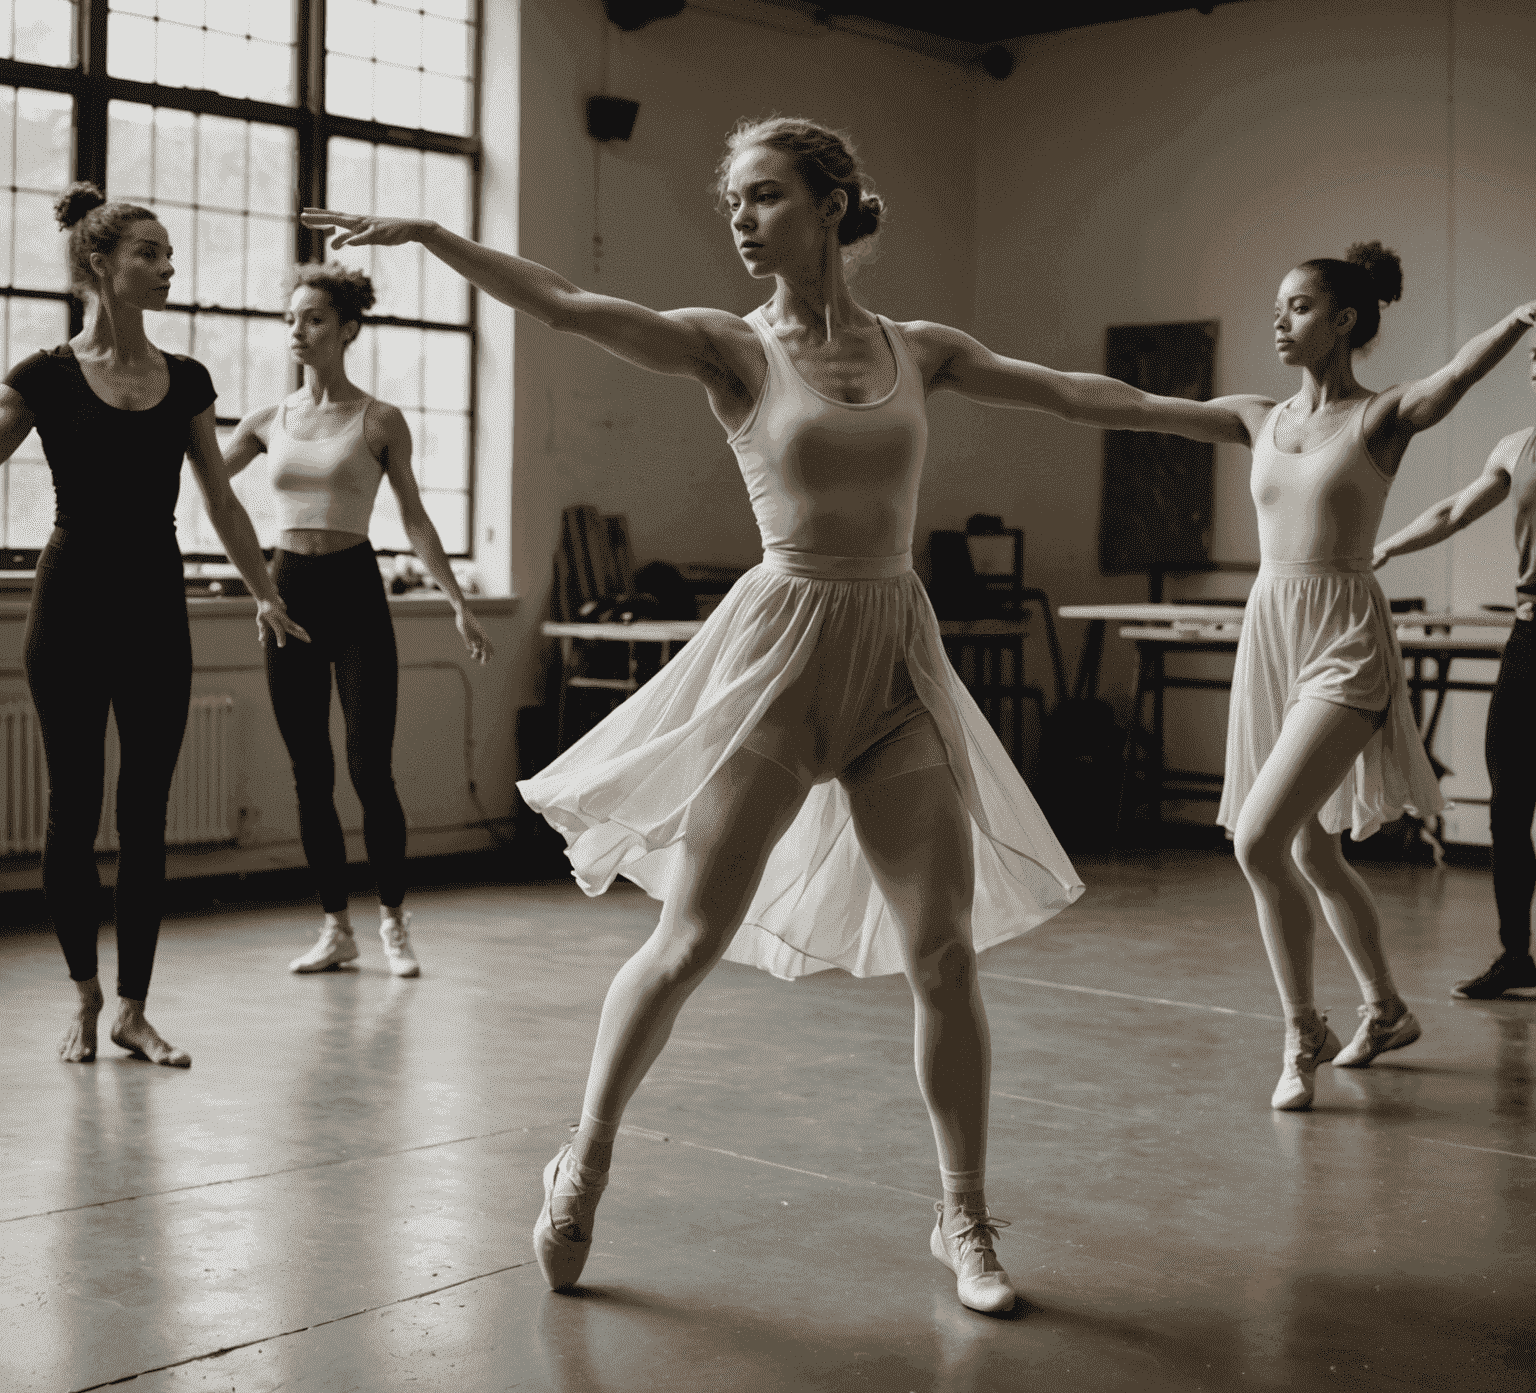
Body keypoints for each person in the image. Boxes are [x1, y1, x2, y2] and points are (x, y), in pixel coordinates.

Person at [302, 117, 1093, 1316]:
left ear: (832, 204)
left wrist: (1237, 421)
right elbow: (566, 303)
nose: (740, 218)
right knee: (687, 942)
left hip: (894, 665)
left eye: (765, 195)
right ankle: (585, 1158)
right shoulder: (730, 349)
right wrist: (433, 235)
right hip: (780, 661)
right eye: (734, 199)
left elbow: (1075, 393)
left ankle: (963, 1217)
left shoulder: (918, 349)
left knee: (941, 953)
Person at [1042, 245, 1532, 1110]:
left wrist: (1522, 320)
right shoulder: (1252, 417)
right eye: (1279, 306)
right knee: (1309, 846)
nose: (1279, 320)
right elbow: (1138, 405)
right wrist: (1023, 385)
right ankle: (1383, 1009)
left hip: (1347, 637)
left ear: (1344, 321)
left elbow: (1453, 377)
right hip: (1273, 637)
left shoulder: (1381, 417)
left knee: (1258, 840)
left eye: (1298, 307)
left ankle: (1301, 1026)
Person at [1, 182, 309, 1067]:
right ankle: (84, 997)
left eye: (171, 254)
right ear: (100, 264)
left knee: (145, 816)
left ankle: (134, 1008)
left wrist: (262, 589)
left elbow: (220, 499)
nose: (169, 267)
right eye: (151, 254)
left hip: (153, 607)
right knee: (72, 810)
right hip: (68, 605)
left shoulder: (188, 381)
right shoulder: (44, 376)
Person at [224, 264, 491, 979]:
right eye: (291, 320)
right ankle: (335, 927)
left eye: (312, 319)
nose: (297, 331)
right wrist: (258, 586)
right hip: (287, 593)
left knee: (370, 770)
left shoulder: (379, 420)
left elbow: (414, 518)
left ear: (347, 329)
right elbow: (206, 489)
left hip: (354, 593)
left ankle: (394, 923)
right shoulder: (264, 421)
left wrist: (458, 603)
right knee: (309, 772)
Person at [1373, 335, 1536, 1001]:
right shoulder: (1515, 446)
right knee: (1509, 802)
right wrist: (1383, 547)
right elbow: (1453, 511)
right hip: (1530, 639)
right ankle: (1515, 954)